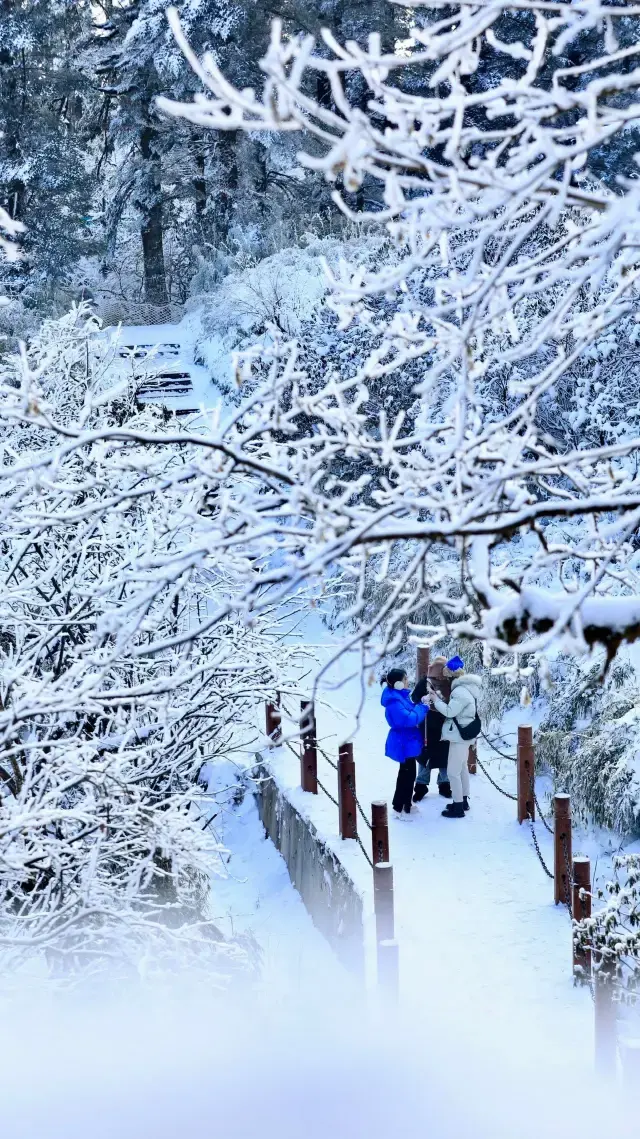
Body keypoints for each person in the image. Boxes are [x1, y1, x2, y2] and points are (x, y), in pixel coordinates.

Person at [429, 655, 481, 820]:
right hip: (464, 735)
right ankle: (463, 800)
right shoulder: (466, 689)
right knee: (462, 768)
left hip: (460, 737)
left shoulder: (459, 691)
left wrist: (436, 700)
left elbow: (450, 712)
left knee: (452, 772)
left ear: (451, 676)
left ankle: (458, 807)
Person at [380, 668, 428, 816]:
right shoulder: (394, 701)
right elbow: (408, 719)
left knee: (407, 774)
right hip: (403, 742)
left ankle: (402, 804)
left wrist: (419, 705)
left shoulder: (400, 696)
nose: (408, 681)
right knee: (407, 775)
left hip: (407, 740)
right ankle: (402, 806)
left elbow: (410, 710)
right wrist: (423, 707)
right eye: (405, 679)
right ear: (399, 683)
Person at [411, 656, 452, 801]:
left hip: (439, 725)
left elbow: (414, 697)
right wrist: (424, 700)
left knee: (441, 756)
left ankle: (440, 785)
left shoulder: (449, 682)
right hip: (432, 726)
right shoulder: (428, 682)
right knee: (429, 757)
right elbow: (415, 697)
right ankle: (426, 785)